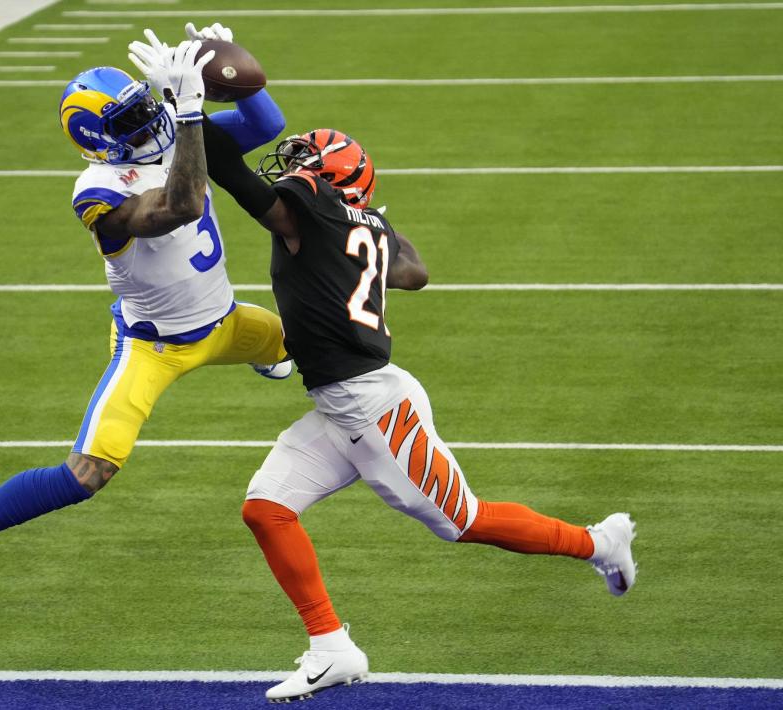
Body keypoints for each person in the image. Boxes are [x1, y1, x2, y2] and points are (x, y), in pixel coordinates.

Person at [200, 113, 639, 700]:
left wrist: (188, 109)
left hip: (374, 409)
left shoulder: (317, 211)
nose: (295, 168)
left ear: (331, 180)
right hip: (344, 404)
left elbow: (233, 175)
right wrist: (371, 224)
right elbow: (416, 273)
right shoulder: (362, 225)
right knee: (266, 509)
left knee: (465, 521)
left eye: (307, 160)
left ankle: (599, 542)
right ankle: (332, 646)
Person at [0, 25, 293, 618]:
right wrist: (187, 114)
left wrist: (233, 72)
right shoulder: (100, 190)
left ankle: (269, 352)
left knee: (324, 343)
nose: (149, 123)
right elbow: (180, 204)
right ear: (98, 144)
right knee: (88, 472)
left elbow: (266, 127)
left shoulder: (169, 137)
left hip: (226, 322)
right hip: (154, 346)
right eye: (132, 121)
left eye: (146, 108)